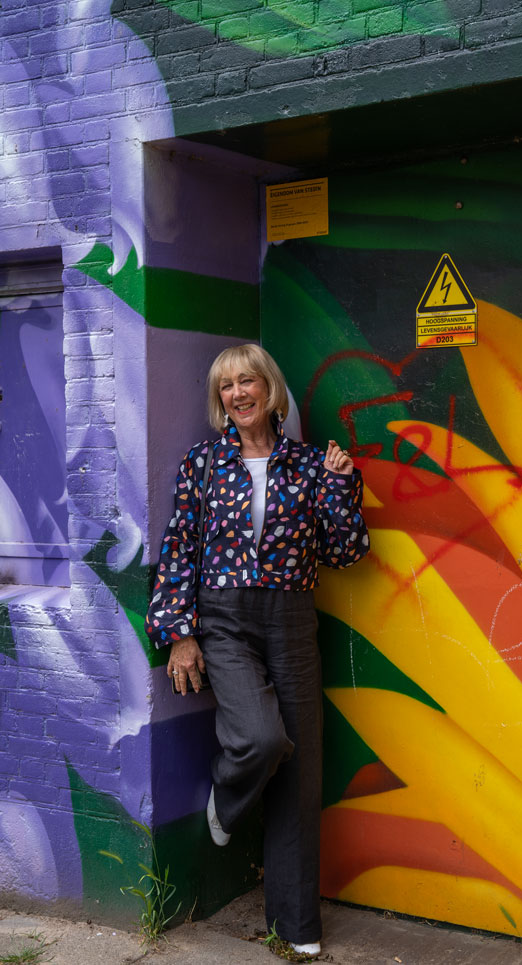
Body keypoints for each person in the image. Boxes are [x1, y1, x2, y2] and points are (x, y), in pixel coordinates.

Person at [145, 343, 369, 958]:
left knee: (300, 775)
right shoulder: (202, 464)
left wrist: (342, 486)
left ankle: (295, 926)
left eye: (248, 382)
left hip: (293, 619)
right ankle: (228, 795)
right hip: (224, 620)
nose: (238, 394)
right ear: (220, 400)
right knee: (261, 739)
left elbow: (346, 552)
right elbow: (179, 548)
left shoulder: (306, 464)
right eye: (226, 386)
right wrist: (180, 633)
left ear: (270, 391)